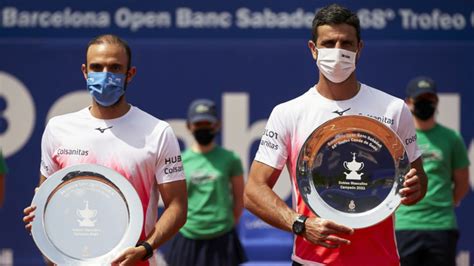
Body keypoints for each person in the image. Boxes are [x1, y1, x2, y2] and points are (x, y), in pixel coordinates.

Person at [243, 4, 428, 266]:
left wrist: (415, 187)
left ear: (359, 48)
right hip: (313, 261)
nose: (337, 51)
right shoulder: (289, 113)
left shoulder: (394, 109)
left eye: (346, 43)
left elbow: (418, 179)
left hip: (379, 260)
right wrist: (301, 224)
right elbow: (253, 191)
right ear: (313, 49)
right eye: (329, 43)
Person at [22, 34, 187, 266]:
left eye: (115, 67)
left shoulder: (158, 132)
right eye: (97, 67)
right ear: (85, 72)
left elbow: (178, 206)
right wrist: (41, 225)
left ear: (130, 74)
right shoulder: (58, 129)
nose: (105, 75)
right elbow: (46, 197)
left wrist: (145, 249)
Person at [395, 76, 470, 266]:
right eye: (420, 100)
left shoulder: (451, 138)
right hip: (404, 225)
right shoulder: (397, 139)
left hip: (441, 226)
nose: (425, 104)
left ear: (437, 102)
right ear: (408, 103)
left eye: (430, 99)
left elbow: (462, 183)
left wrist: (442, 204)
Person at [165, 99, 247, 266]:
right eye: (198, 124)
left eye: (207, 124)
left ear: (217, 125)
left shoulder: (230, 159)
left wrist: (225, 223)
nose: (203, 129)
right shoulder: (179, 161)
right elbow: (173, 202)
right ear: (189, 126)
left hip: (222, 238)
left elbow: (240, 199)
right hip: (188, 237)